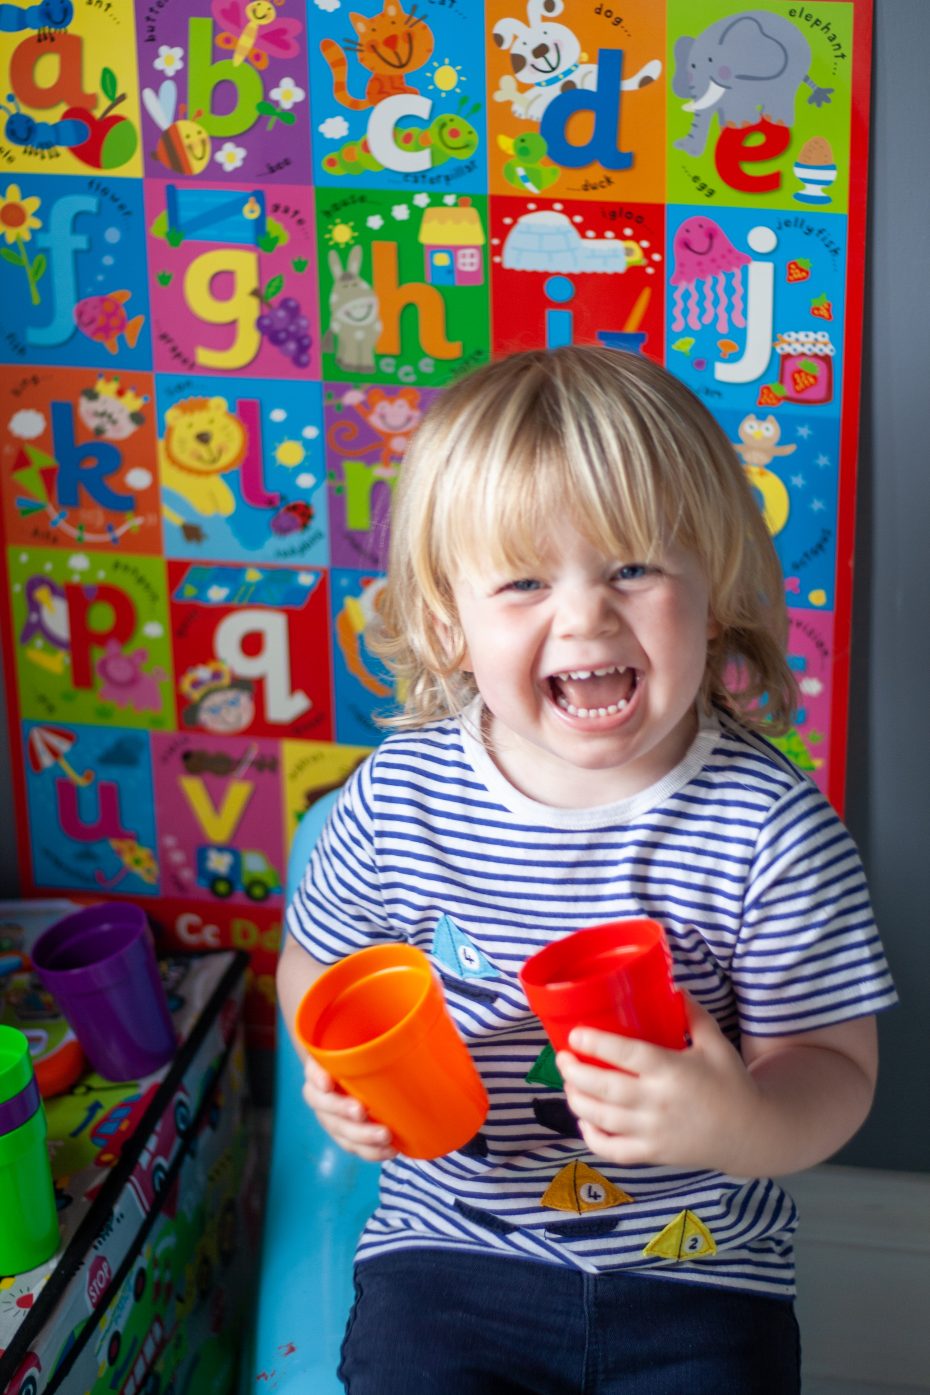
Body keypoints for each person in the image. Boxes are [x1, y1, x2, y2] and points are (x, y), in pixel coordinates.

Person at [277, 347, 896, 1394]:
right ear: (446, 623)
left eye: (632, 568)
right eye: (523, 580)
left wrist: (742, 1120)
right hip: (452, 1251)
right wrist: (336, 1073)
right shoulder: (398, 801)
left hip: (699, 1270)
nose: (585, 616)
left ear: (714, 591)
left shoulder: (770, 829)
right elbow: (315, 966)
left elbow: (836, 1069)